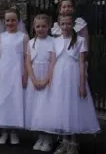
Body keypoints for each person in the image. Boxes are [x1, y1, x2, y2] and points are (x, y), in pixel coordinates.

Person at [40, 14, 100, 154]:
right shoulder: (55, 41)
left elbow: (81, 63)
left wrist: (82, 84)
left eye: (68, 24)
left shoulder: (80, 41)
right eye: (63, 24)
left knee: (73, 106)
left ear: (73, 25)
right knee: (61, 107)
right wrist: (49, 79)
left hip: (73, 76)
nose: (65, 27)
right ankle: (64, 141)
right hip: (59, 76)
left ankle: (73, 142)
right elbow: (52, 62)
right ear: (59, 26)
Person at [0, 8, 29, 145]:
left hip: (17, 72)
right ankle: (4, 131)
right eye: (7, 20)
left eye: (13, 20)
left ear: (18, 21)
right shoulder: (0, 37)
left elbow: (26, 57)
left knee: (15, 100)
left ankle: (14, 131)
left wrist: (25, 75)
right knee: (3, 100)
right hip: (3, 71)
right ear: (4, 22)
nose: (10, 23)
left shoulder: (23, 37)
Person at [24, 14, 56, 152]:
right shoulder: (31, 43)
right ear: (33, 27)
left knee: (46, 108)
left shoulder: (53, 41)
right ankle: (40, 136)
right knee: (36, 108)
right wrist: (34, 79)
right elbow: (28, 63)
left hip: (48, 77)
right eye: (38, 26)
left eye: (43, 26)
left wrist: (46, 79)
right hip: (35, 77)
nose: (41, 29)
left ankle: (48, 138)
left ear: (48, 27)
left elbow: (53, 63)